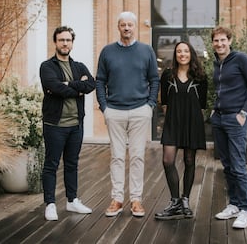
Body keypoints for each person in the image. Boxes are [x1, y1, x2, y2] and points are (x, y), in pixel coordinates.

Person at [95, 11, 159, 218]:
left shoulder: (146, 50)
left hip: (140, 110)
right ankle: (117, 199)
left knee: (138, 156)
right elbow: (100, 81)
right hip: (114, 111)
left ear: (135, 27)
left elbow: (154, 80)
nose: (127, 28)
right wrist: (104, 107)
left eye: (130, 25)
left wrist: (150, 105)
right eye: (123, 25)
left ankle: (136, 200)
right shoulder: (107, 52)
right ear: (118, 27)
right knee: (117, 157)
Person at [40, 26, 95, 221]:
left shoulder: (78, 66)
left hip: (75, 125)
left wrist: (67, 85)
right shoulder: (47, 66)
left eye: (68, 40)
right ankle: (50, 204)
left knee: (72, 164)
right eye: (61, 40)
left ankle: (72, 201)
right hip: (55, 125)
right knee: (51, 165)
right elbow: (54, 87)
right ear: (55, 42)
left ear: (72, 43)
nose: (65, 43)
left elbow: (91, 85)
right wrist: (76, 87)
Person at [210, 26, 247, 229]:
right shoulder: (217, 63)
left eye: (223, 40)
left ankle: (245, 210)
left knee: (239, 165)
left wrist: (243, 112)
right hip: (219, 119)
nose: (220, 44)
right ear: (212, 43)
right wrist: (215, 109)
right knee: (228, 165)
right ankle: (233, 204)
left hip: (235, 119)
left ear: (230, 41)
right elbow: (221, 89)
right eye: (216, 41)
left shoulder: (241, 59)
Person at [155, 41, 208, 221]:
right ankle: (175, 201)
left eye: (186, 51)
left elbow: (202, 106)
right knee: (168, 160)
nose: (182, 54)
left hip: (192, 123)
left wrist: (194, 123)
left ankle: (185, 200)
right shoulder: (167, 75)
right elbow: (164, 103)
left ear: (191, 54)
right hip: (173, 123)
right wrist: (171, 119)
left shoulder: (200, 77)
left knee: (189, 160)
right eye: (179, 51)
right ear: (175, 55)